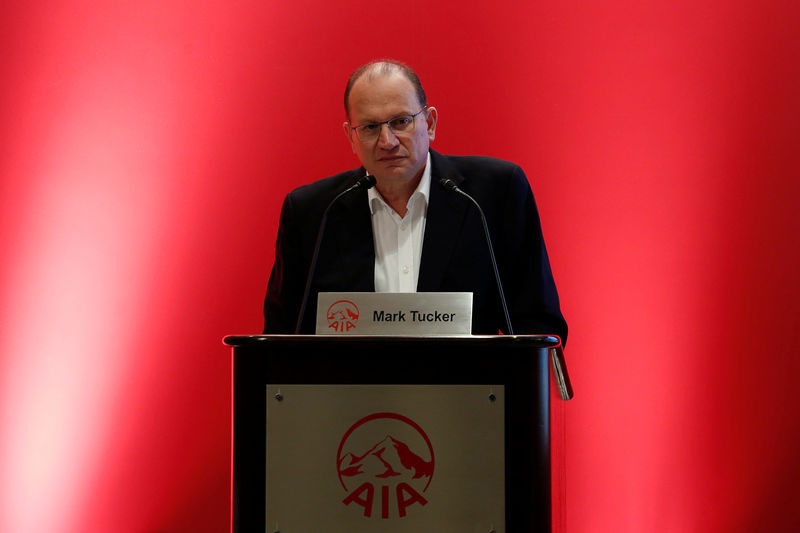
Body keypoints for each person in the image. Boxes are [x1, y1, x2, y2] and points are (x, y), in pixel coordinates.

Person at [263, 60, 567, 343]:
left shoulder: (492, 195)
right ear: (350, 137)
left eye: (401, 121)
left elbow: (537, 324)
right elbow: (281, 337)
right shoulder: (313, 212)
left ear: (429, 123)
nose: (388, 141)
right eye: (369, 127)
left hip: (469, 395)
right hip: (350, 397)